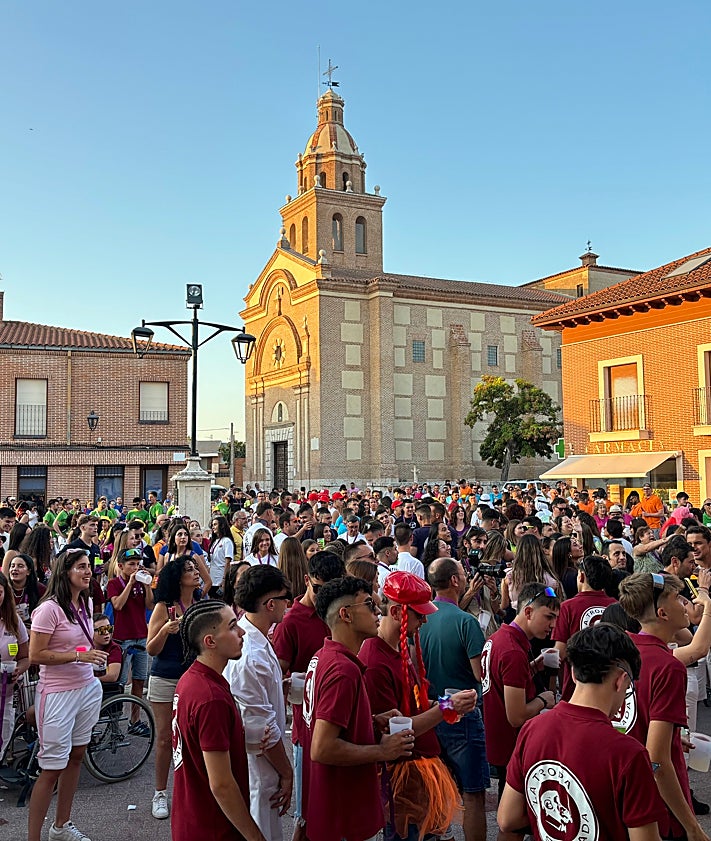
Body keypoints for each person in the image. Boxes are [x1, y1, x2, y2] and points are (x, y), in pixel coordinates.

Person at [498, 622, 666, 841]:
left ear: (575, 675)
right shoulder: (629, 754)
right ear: (621, 680)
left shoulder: (532, 729)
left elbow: (507, 818)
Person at [360, 570, 474, 841]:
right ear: (398, 613)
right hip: (401, 782)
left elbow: (412, 706)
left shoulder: (399, 648)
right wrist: (446, 708)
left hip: (418, 774)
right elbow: (397, 731)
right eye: (418, 614)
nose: (424, 620)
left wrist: (447, 704)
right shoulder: (375, 660)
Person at [302, 576, 414, 841]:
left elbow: (333, 724)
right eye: (369, 605)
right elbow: (323, 747)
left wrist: (370, 721)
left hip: (331, 809)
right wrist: (382, 750)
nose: (378, 612)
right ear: (346, 615)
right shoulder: (343, 670)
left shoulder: (325, 657)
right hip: (344, 816)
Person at [619, 572, 711, 841]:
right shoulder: (668, 666)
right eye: (677, 598)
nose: (684, 603)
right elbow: (657, 759)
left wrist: (669, 735)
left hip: (626, 794)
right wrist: (692, 827)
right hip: (658, 806)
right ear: (663, 613)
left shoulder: (624, 646)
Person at [28, 547, 108, 841]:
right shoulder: (49, 608)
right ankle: (33, 837)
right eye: (81, 567)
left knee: (77, 756)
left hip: (86, 688)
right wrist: (78, 656)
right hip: (58, 694)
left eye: (89, 566)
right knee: (51, 768)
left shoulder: (83, 603)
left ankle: (61, 826)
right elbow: (36, 654)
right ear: (65, 572)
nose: (88, 571)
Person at [171, 600, 267, 841]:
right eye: (232, 626)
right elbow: (221, 785)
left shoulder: (192, 679)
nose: (242, 631)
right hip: (213, 827)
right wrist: (254, 836)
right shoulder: (210, 697)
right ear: (210, 642)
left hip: (191, 817)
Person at [272, 551, 345, 841]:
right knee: (305, 817)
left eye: (331, 589)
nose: (325, 596)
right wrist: (291, 685)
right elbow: (278, 676)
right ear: (306, 581)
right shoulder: (292, 622)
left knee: (337, 813)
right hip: (307, 728)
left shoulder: (342, 613)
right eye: (318, 589)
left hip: (340, 727)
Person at [416, 558, 489, 841]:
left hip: (431, 711)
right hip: (463, 714)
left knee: (436, 790)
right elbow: (479, 674)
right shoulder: (466, 622)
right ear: (455, 581)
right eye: (463, 572)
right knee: (473, 795)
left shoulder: (422, 618)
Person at [481, 582, 560, 804]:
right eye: (548, 617)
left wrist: (533, 666)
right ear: (528, 612)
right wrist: (543, 701)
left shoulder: (499, 638)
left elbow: (502, 680)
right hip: (512, 746)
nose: (553, 625)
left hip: (500, 742)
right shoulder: (513, 650)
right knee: (512, 823)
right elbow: (515, 715)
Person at [146, 556, 204, 820]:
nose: (195, 573)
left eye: (195, 569)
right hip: (166, 677)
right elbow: (151, 649)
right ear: (178, 578)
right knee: (165, 739)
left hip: (194, 678)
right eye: (189, 570)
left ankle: (192, 791)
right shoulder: (164, 606)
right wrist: (165, 631)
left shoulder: (201, 603)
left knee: (194, 737)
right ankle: (160, 793)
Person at [551, 554, 616, 700]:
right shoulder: (616, 607)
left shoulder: (567, 608)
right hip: (610, 686)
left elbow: (559, 653)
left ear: (581, 576)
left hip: (576, 689)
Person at [106, 548, 154, 732]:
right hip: (122, 637)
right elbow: (117, 604)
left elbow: (150, 604)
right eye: (131, 564)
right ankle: (114, 723)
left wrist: (148, 586)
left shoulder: (142, 584)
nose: (135, 568)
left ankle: (135, 720)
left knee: (140, 679)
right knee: (119, 682)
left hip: (141, 635)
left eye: (137, 564)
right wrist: (130, 583)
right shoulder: (113, 583)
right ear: (120, 566)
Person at [0, 570, 30, 753]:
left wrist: (18, 670)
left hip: (5, 696)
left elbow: (25, 658)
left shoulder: (13, 621)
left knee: (2, 744)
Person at [8, 553, 45, 628]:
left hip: (33, 629)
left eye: (20, 566)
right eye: (12, 566)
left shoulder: (40, 589)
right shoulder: (4, 589)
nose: (15, 569)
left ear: (28, 571)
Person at [208, 515, 234, 598]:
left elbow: (228, 562)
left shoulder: (227, 541)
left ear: (222, 525)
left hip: (220, 580)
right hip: (212, 579)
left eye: (215, 524)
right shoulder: (214, 541)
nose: (213, 527)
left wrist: (224, 580)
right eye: (212, 525)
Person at [91, 613, 122, 683]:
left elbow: (112, 676)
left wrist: (86, 678)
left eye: (109, 628)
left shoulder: (114, 648)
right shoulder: (85, 647)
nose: (107, 633)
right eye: (102, 630)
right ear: (91, 632)